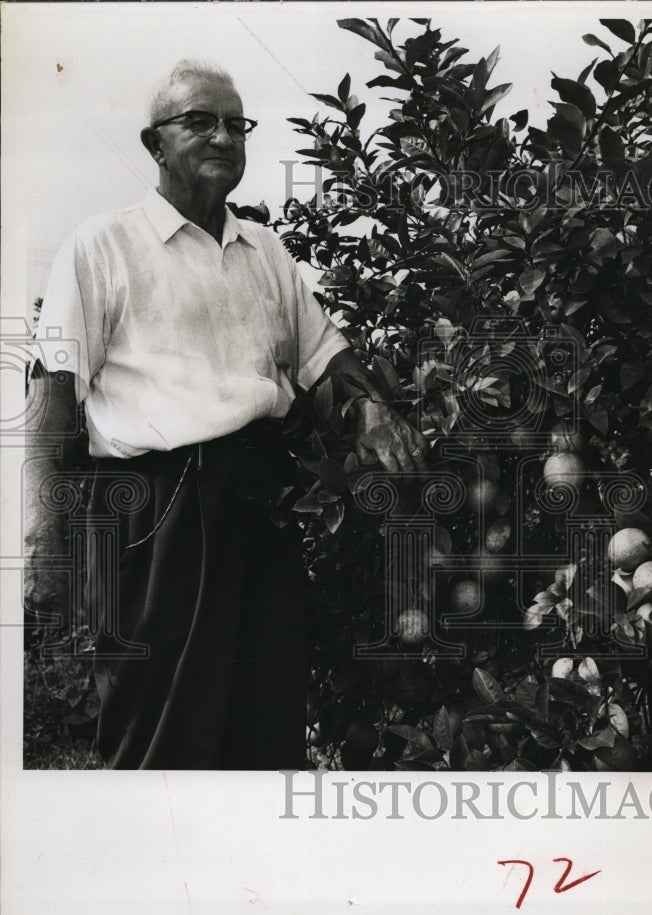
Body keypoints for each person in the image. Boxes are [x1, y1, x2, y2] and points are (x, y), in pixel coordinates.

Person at [24, 59, 428, 770]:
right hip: (159, 516)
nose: (222, 137)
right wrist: (49, 550)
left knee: (263, 730)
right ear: (155, 144)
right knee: (159, 733)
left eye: (235, 124)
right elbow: (54, 402)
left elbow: (322, 359)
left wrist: (368, 408)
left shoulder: (263, 250)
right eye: (199, 121)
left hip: (263, 511)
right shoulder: (102, 245)